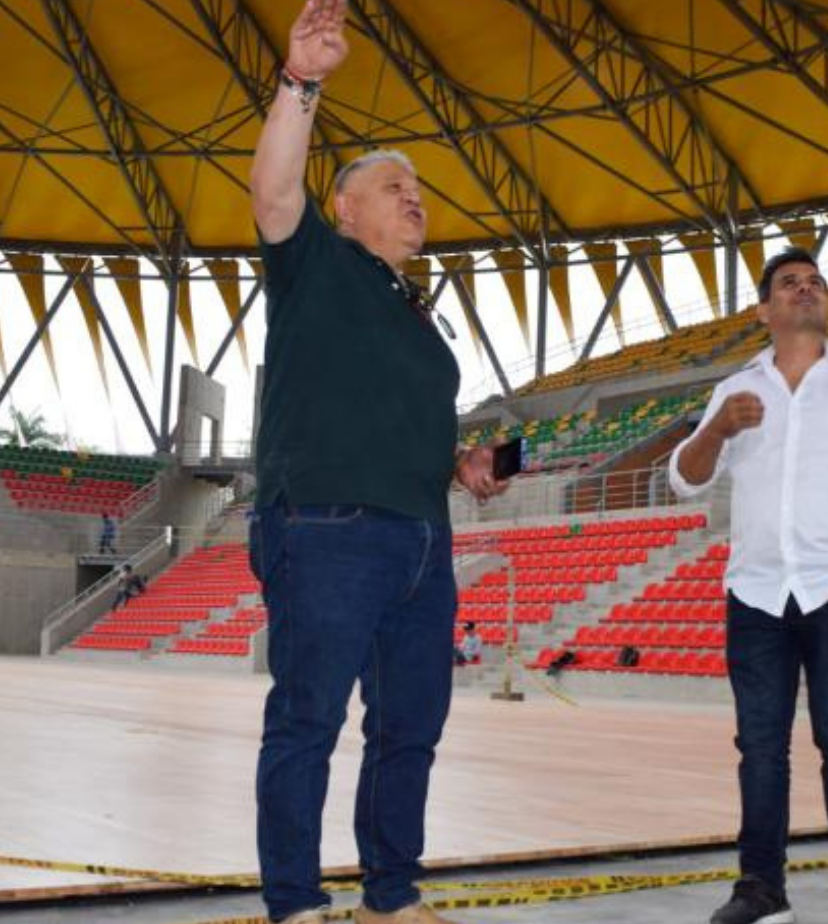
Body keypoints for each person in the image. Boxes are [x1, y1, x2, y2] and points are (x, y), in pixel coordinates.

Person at [247, 3, 508, 922]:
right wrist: (303, 81)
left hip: (422, 542)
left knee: (410, 734)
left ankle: (391, 897)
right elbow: (276, 191)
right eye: (397, 185)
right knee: (309, 722)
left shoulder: (418, 319)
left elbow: (408, 434)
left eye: (421, 191)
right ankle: (293, 902)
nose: (416, 197)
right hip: (326, 527)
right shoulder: (314, 265)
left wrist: (465, 463)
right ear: (347, 207)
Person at [668, 248, 828, 924]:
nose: (806, 289)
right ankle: (760, 887)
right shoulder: (733, 390)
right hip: (755, 594)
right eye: (790, 283)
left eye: (815, 282)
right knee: (759, 748)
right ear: (764, 310)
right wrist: (718, 428)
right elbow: (686, 477)